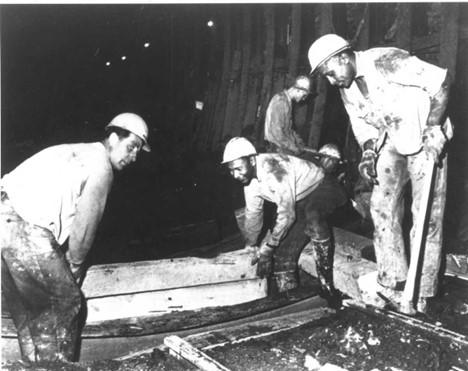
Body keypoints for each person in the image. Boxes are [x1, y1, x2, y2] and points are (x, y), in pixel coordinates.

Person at [308, 34, 453, 314]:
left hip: (425, 136)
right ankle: (392, 279)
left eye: (330, 73)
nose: (331, 81)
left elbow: (442, 81)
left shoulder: (387, 61)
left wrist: (434, 125)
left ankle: (421, 291)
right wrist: (369, 153)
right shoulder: (346, 86)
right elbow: (362, 126)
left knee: (427, 216)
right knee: (381, 208)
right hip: (393, 139)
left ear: (343, 57)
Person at [1, 112, 151, 363]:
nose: (134, 157)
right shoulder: (102, 167)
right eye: (131, 147)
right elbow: (84, 228)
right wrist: (76, 266)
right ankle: (54, 367)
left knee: (27, 309)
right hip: (23, 228)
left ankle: (32, 363)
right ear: (113, 137)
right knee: (65, 302)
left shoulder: (78, 151)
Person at [222, 137, 347, 306]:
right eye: (231, 171)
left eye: (238, 169)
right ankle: (291, 303)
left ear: (251, 160)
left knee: (314, 216)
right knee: (282, 259)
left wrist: (268, 247)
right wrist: (250, 245)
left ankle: (327, 285)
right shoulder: (250, 184)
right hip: (300, 200)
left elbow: (287, 216)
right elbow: (253, 214)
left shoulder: (273, 170)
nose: (235, 175)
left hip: (324, 185)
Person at [264, 75, 311, 156]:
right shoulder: (280, 101)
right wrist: (293, 147)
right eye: (304, 95)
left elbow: (287, 129)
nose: (303, 99)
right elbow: (277, 132)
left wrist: (298, 140)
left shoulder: (287, 102)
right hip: (276, 150)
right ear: (298, 90)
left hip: (282, 148)